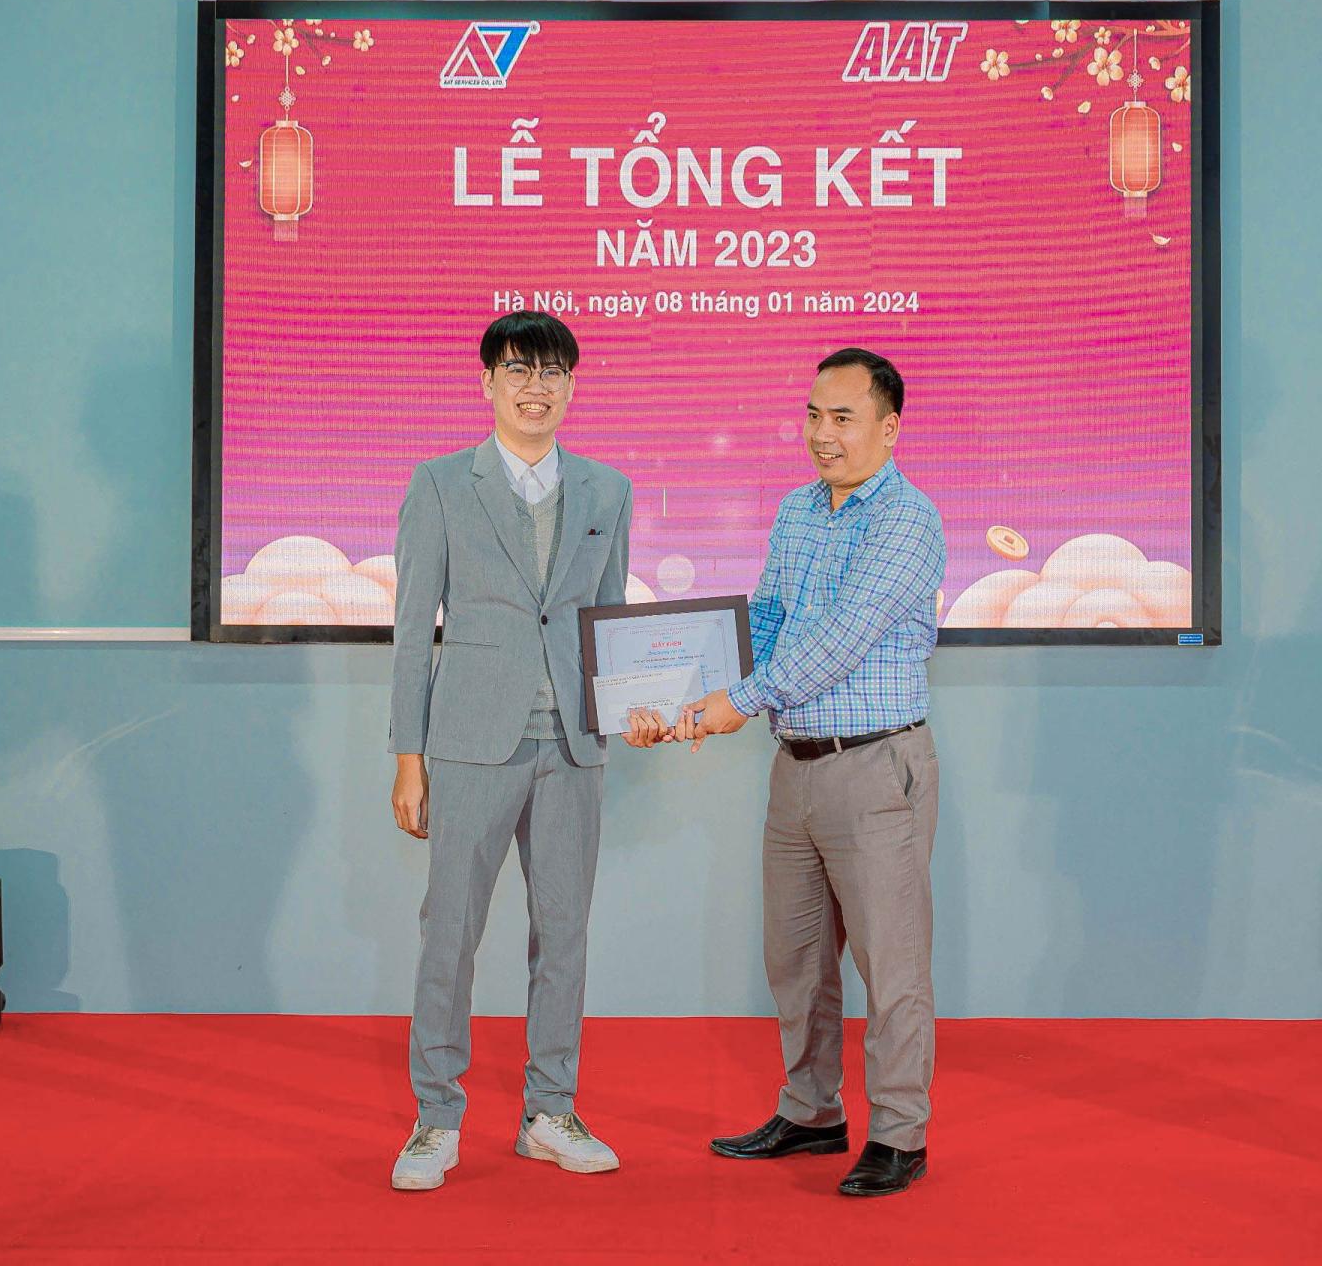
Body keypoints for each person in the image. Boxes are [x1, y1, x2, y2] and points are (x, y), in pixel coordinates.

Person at [387, 311, 654, 1191]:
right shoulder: (439, 484)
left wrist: (639, 705)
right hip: (470, 742)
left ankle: (550, 1110)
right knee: (450, 932)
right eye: (518, 371)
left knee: (565, 933)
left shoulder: (608, 490)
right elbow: (413, 634)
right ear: (487, 382)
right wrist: (409, 758)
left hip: (572, 743)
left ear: (572, 385)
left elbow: (608, 620)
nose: (535, 388)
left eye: (551, 373)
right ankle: (436, 1118)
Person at [679, 347, 946, 1196]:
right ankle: (811, 1112)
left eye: (843, 418)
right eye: (813, 415)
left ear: (889, 428)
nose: (822, 434)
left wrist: (735, 702)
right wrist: (685, 690)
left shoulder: (908, 520)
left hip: (874, 769)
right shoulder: (798, 509)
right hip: (793, 768)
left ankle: (899, 1134)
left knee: (891, 967)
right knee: (796, 959)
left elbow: (841, 640)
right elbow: (767, 614)